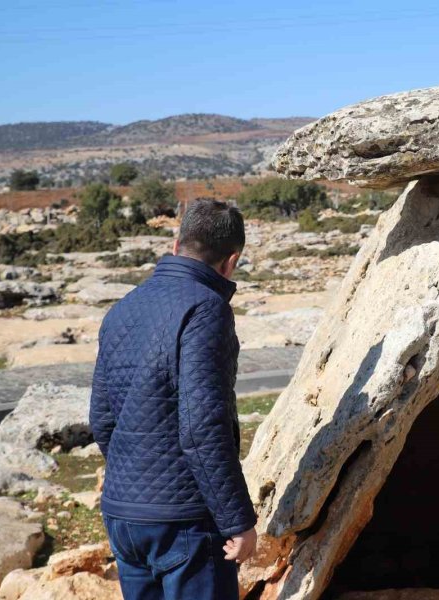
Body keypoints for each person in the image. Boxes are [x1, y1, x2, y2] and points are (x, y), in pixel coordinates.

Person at [90, 199, 257, 600]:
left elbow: (101, 418)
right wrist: (238, 520)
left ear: (176, 242)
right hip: (184, 523)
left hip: (123, 516)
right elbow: (202, 426)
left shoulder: (123, 308)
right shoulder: (206, 308)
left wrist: (137, 480)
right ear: (231, 261)